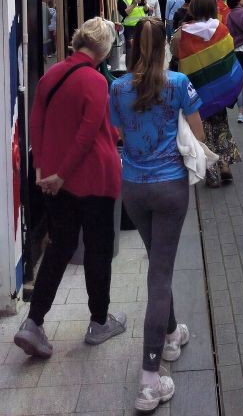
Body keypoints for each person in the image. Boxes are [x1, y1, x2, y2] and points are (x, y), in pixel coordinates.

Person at [14, 18, 126, 360]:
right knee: (98, 248)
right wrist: (62, 173)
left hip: (54, 180)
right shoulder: (95, 80)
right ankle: (99, 321)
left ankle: (33, 322)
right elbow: (88, 133)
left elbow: (36, 121)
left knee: (60, 246)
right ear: (103, 49)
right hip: (92, 178)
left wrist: (41, 169)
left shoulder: (51, 75)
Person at [110, 18, 204, 412]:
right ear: (165, 46)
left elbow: (120, 133)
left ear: (132, 48)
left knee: (158, 265)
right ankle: (149, 379)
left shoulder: (117, 87)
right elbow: (199, 135)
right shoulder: (178, 83)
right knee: (160, 276)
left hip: (134, 187)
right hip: (170, 188)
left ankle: (171, 333)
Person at [178, 0, 242, 187]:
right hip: (220, 90)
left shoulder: (184, 34)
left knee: (203, 132)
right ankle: (225, 166)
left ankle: (211, 174)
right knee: (221, 126)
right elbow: (228, 57)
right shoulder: (221, 29)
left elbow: (180, 60)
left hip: (198, 93)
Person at [118, 0, 148, 68]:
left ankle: (140, 67)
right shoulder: (121, 0)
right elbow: (125, 13)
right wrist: (134, 4)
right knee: (130, 49)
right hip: (129, 28)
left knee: (141, 48)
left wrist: (145, 3)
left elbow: (146, 10)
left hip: (141, 27)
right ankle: (129, 69)